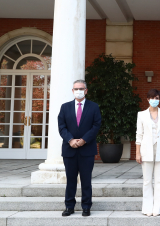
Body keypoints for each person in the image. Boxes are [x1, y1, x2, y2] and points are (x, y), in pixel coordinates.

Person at [59, 79, 102, 217]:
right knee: (70, 180)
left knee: (86, 180)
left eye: (81, 89)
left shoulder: (94, 107)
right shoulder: (65, 107)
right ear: (72, 91)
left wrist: (84, 140)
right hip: (69, 150)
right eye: (76, 89)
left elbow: (96, 125)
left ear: (86, 90)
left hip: (87, 150)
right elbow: (61, 127)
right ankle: (69, 206)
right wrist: (70, 140)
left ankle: (86, 207)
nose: (78, 91)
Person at [136, 89, 160, 217]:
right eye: (152, 98)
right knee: (147, 181)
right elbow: (139, 135)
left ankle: (158, 208)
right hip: (146, 150)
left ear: (159, 99)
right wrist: (137, 153)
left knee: (159, 181)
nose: (154, 100)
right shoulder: (141, 115)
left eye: (157, 98)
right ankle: (147, 208)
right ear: (148, 99)